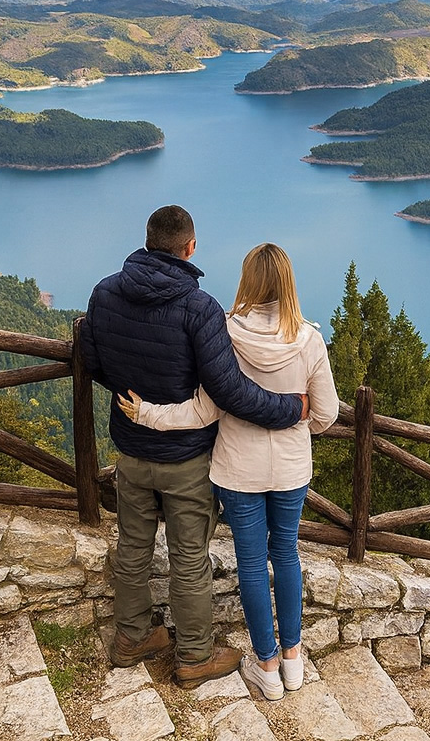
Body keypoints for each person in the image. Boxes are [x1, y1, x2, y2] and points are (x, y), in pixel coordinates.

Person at [78, 206, 308, 689]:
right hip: (185, 460)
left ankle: (132, 637)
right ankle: (195, 656)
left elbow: (94, 364)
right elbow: (228, 392)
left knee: (133, 547)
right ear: (190, 247)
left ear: (147, 240)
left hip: (131, 449)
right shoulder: (197, 307)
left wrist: (136, 397)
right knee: (189, 558)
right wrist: (291, 410)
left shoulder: (103, 293)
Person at [118, 242, 339, 701]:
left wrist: (146, 415)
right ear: (288, 283)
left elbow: (202, 411)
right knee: (287, 556)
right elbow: (327, 414)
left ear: (247, 282)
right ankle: (294, 660)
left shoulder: (226, 335)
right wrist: (299, 421)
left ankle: (267, 666)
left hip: (238, 469)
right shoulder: (309, 339)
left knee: (253, 565)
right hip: (291, 469)